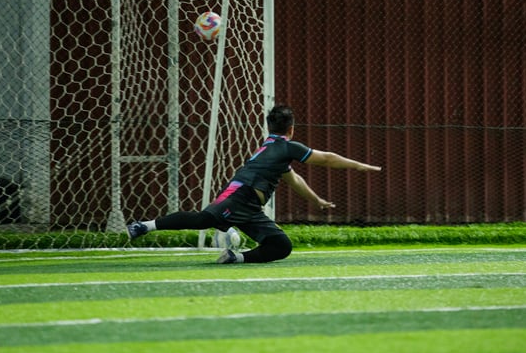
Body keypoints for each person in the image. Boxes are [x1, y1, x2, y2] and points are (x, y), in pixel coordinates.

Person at [127, 104, 382, 264]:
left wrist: (315, 200)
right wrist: (361, 166)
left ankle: (235, 257)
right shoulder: (285, 146)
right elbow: (326, 159)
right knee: (204, 219)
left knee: (281, 246)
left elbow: (295, 180)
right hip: (240, 193)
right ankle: (144, 226)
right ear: (292, 129)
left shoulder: (275, 152)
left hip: (251, 208)